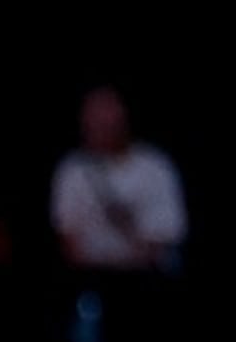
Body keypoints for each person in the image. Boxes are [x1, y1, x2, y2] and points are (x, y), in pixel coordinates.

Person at [52, 85, 188, 278]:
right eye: (92, 117)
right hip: (90, 282)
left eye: (106, 116)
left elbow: (164, 239)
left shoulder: (156, 167)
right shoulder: (73, 170)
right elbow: (68, 239)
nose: (99, 124)